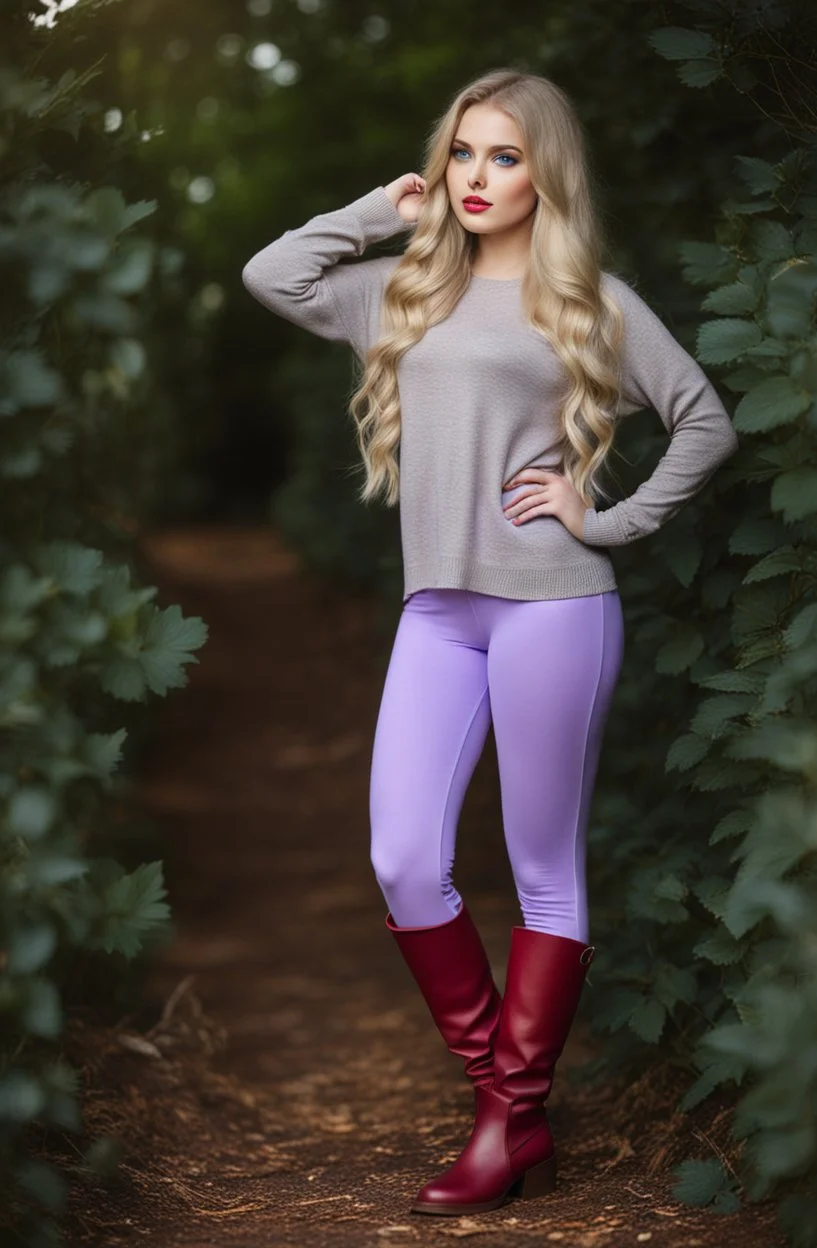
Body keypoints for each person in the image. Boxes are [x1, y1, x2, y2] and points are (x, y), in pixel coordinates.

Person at [241, 67, 739, 1218]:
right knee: (405, 858)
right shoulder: (400, 290)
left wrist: (604, 517)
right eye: (463, 153)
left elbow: (704, 420)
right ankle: (510, 1110)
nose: (476, 176)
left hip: (554, 605)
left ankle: (503, 1120)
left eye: (504, 156)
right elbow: (273, 275)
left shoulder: (589, 302)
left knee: (542, 873)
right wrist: (382, 211)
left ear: (544, 172)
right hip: (438, 613)